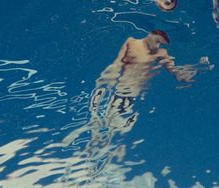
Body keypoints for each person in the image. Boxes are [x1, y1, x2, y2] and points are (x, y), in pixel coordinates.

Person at [62, 30, 211, 182]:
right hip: (117, 88)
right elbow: (117, 63)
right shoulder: (131, 42)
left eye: (161, 43)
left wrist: (191, 71)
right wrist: (105, 82)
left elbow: (173, 70)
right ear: (151, 35)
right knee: (100, 124)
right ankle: (90, 160)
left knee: (111, 129)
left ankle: (96, 166)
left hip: (132, 95)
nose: (158, 45)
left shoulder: (161, 53)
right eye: (157, 41)